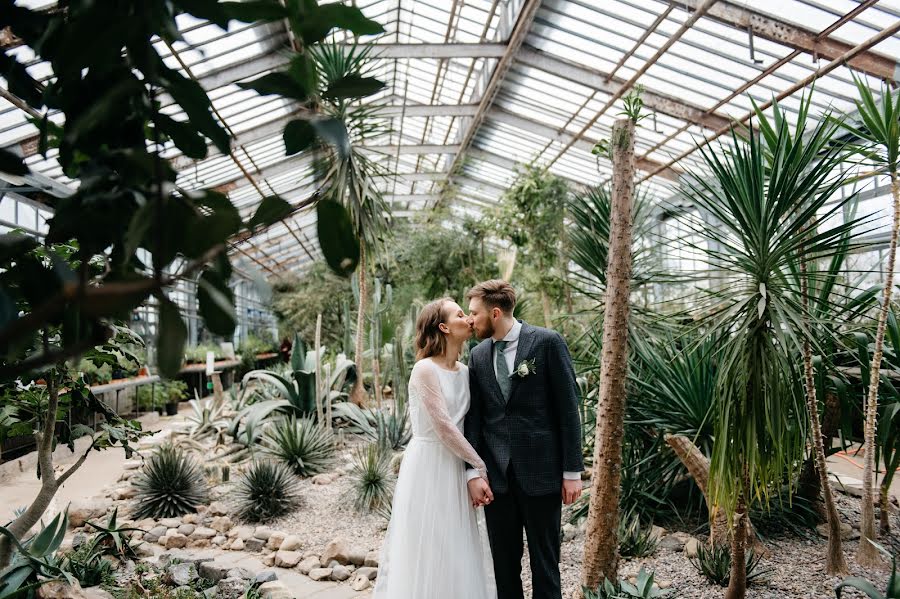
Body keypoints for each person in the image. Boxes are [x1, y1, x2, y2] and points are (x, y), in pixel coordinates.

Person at [465, 279, 584, 599]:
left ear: (495, 312)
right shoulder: (476, 356)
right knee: (504, 567)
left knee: (546, 564)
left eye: (474, 313)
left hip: (542, 474)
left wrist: (572, 471)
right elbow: (474, 419)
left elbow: (568, 411)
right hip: (497, 480)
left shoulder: (547, 342)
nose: (469, 320)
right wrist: (473, 472)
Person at [373, 298, 497, 599]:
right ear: (443, 327)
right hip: (428, 464)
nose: (468, 318)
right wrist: (479, 465)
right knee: (429, 543)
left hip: (455, 466)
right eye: (459, 314)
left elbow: (470, 424)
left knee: (456, 543)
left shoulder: (467, 371)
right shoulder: (424, 369)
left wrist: (469, 471)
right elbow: (443, 426)